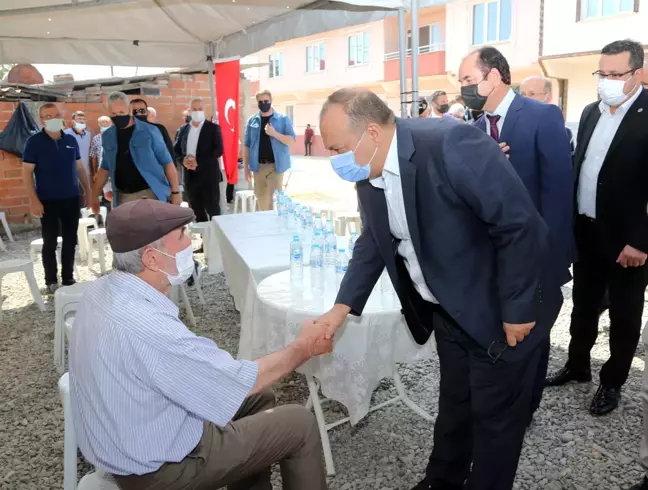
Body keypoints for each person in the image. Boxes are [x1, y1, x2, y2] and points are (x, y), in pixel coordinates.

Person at [317, 88, 550, 490]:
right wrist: (343, 306)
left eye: (337, 148)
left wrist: (518, 308)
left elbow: (518, 225)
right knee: (456, 405)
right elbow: (374, 239)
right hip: (446, 309)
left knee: (496, 422)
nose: (334, 159)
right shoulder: (370, 170)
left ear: (371, 132)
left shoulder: (451, 144)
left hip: (497, 309)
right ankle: (442, 480)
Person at [68, 199, 330, 490]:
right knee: (300, 424)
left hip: (127, 439)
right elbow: (234, 380)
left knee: (261, 400)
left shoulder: (100, 290)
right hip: (161, 470)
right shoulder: (146, 325)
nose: (190, 242)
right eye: (181, 235)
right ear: (152, 259)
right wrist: (304, 347)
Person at [458, 47, 574, 420]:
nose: (463, 89)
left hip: (536, 256)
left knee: (534, 339)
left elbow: (558, 192)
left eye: (467, 81)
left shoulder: (541, 116)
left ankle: (526, 409)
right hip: (493, 257)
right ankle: (501, 404)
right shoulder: (474, 130)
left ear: (492, 77)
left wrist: (551, 262)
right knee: (505, 335)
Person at [545, 39, 648, 416]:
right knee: (583, 306)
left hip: (628, 242)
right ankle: (577, 365)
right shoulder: (591, 111)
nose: (605, 81)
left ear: (637, 74)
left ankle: (613, 381)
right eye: (601, 73)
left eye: (614, 74)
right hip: (587, 231)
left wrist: (641, 240)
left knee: (624, 314)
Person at [22, 103, 91, 293]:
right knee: (50, 241)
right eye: (47, 116)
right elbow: (27, 173)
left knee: (70, 240)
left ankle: (68, 278)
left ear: (62, 117)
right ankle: (51, 280)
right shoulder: (34, 142)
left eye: (55, 115)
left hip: (71, 198)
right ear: (41, 120)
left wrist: (89, 192)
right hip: (47, 200)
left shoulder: (71, 140)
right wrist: (33, 199)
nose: (51, 118)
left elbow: (80, 169)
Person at [91, 91, 181, 211]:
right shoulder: (108, 136)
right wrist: (94, 196)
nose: (118, 116)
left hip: (151, 194)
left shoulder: (150, 131)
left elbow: (167, 162)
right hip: (122, 197)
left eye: (121, 112)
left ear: (129, 110)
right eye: (114, 113)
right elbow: (104, 169)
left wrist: (175, 193)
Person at [243, 89, 296, 210]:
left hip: (276, 167)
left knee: (277, 202)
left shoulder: (283, 119)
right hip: (258, 168)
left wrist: (274, 134)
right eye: (260, 102)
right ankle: (265, 226)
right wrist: (246, 169)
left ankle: (277, 227)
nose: (263, 104)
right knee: (262, 201)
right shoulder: (252, 120)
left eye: (266, 101)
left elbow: (291, 140)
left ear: (271, 101)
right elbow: (247, 146)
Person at [174, 97, 224, 221]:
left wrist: (199, 161)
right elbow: (176, 150)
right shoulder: (183, 129)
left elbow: (218, 150)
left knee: (213, 209)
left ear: (204, 109)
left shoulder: (212, 128)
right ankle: (204, 238)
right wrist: (183, 160)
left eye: (200, 109)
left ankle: (216, 237)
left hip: (208, 176)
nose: (197, 112)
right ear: (189, 111)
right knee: (196, 211)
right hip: (190, 177)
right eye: (194, 109)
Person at [520, 75, 575, 153]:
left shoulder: (564, 133)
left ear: (548, 96)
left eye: (532, 94)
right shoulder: (510, 127)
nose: (525, 99)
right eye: (522, 94)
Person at [89, 115, 114, 210]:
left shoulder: (115, 136)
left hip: (114, 169)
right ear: (99, 124)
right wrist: (95, 172)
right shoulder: (96, 138)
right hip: (102, 170)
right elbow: (93, 156)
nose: (105, 124)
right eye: (102, 123)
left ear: (111, 124)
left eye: (107, 122)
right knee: (107, 195)